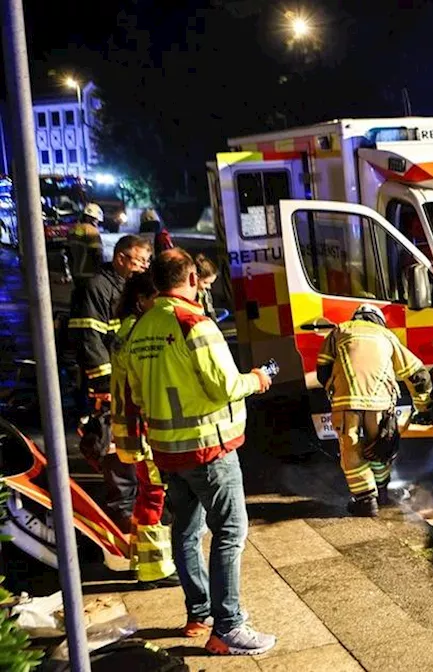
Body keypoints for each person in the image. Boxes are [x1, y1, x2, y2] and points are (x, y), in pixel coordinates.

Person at [123, 248, 277, 655]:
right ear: (192, 279)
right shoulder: (195, 323)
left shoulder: (141, 328)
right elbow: (224, 386)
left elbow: (137, 394)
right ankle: (228, 627)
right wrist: (257, 380)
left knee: (186, 531)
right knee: (230, 532)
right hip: (209, 448)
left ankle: (199, 613)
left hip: (168, 452)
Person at [69, 234, 153, 533]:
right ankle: (123, 525)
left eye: (147, 261)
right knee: (117, 455)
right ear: (120, 258)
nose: (144, 266)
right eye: (139, 260)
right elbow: (89, 338)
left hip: (128, 386)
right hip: (109, 389)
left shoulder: (128, 288)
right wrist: (104, 383)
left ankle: (135, 517)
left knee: (132, 453)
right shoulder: (96, 288)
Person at [316, 303, 431, 517]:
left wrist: (334, 386)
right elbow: (418, 375)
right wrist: (423, 405)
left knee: (350, 448)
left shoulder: (339, 330)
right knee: (380, 446)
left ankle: (366, 500)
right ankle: (382, 491)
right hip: (380, 402)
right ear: (378, 321)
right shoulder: (387, 336)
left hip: (346, 400)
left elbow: (322, 369)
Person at [109, 271, 179, 589]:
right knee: (153, 495)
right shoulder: (139, 332)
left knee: (144, 494)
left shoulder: (126, 329)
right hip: (143, 429)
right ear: (141, 301)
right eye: (156, 298)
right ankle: (155, 571)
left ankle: (141, 561)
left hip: (130, 427)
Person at [67, 202, 106, 285]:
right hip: (89, 274)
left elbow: (68, 252)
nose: (97, 222)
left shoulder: (74, 229)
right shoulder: (92, 230)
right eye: (96, 219)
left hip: (76, 273)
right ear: (92, 218)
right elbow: (97, 253)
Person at [194, 253, 219, 318]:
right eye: (205, 282)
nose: (209, 287)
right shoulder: (188, 295)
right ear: (195, 277)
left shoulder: (205, 293)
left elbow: (210, 311)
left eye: (211, 283)